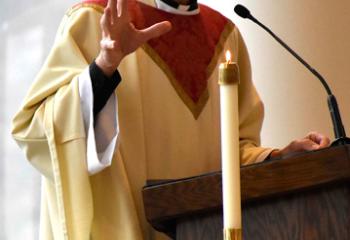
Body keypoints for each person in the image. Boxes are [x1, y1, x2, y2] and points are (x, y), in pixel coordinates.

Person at [11, 0, 330, 239]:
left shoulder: (225, 35)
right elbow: (36, 131)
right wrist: (104, 66)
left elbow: (235, 149)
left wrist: (277, 159)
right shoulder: (99, 18)